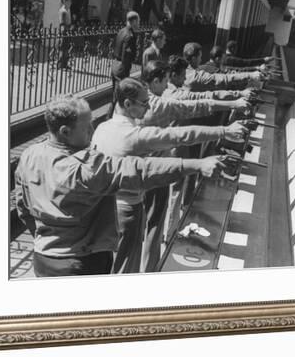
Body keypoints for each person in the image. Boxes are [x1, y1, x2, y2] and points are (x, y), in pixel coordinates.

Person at [14, 95, 227, 277]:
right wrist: (196, 164)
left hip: (43, 259)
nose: (92, 129)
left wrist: (45, 238)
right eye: (86, 125)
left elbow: (23, 207)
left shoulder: (29, 156)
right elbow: (140, 170)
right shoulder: (85, 168)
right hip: (81, 263)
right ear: (64, 131)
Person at [92, 79, 248, 273]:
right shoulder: (133, 136)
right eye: (144, 102)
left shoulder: (101, 129)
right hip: (127, 212)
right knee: (125, 271)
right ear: (127, 104)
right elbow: (181, 135)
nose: (148, 106)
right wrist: (224, 131)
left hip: (102, 209)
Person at [139, 60, 252, 128]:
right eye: (165, 81)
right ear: (156, 82)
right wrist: (234, 102)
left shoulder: (139, 96)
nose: (166, 85)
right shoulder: (163, 100)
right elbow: (199, 104)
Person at [164, 55, 254, 101]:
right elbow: (208, 96)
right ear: (174, 76)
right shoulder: (177, 94)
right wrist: (239, 94)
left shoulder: (166, 88)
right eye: (183, 76)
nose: (185, 79)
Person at [182, 42, 262, 92]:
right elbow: (225, 79)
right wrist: (250, 76)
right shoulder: (201, 74)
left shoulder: (199, 68)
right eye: (200, 57)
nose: (201, 59)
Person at [111, 11, 139, 90]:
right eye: (138, 21)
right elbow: (126, 55)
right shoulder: (130, 36)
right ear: (134, 21)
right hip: (122, 68)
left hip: (115, 64)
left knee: (115, 93)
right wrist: (125, 71)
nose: (138, 24)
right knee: (121, 94)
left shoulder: (121, 31)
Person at [57, 0, 72, 70]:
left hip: (68, 31)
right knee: (63, 49)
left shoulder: (68, 10)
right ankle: (60, 65)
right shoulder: (63, 11)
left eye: (70, 1)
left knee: (66, 49)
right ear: (64, 1)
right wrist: (65, 31)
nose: (70, 2)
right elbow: (62, 23)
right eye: (69, 1)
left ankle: (65, 64)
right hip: (64, 32)